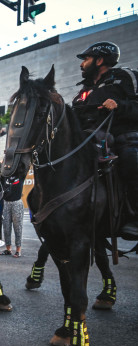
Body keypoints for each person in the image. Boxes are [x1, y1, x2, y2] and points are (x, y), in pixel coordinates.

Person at [73, 41, 138, 236]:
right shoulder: (82, 93)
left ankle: (134, 217)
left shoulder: (125, 76)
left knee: (131, 157)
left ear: (100, 60)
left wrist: (118, 105)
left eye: (86, 59)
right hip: (91, 140)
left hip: (123, 135)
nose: (81, 64)